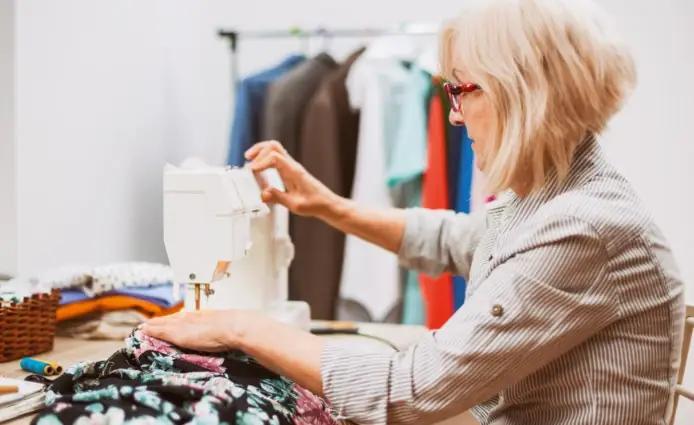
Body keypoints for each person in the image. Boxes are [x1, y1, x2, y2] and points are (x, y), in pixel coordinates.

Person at [142, 0, 685, 423]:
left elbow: (411, 390)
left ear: (522, 91)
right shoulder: (553, 195)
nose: (453, 116)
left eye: (461, 90)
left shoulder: (582, 228)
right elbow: (452, 240)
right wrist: (328, 206)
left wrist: (241, 327)